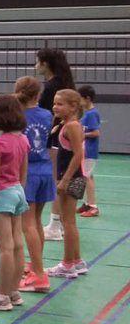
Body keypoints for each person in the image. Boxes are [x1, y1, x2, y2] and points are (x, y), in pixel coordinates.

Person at [0, 94, 29, 311]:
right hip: (18, 191)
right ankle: (14, 290)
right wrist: (19, 189)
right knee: (17, 244)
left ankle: (1, 296)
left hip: (2, 194)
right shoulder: (23, 139)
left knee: (5, 247)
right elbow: (24, 171)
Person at [15, 77, 53, 294]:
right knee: (37, 221)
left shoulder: (19, 116)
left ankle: (39, 275)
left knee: (27, 224)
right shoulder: (47, 114)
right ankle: (37, 266)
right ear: (38, 95)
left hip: (29, 171)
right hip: (45, 169)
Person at [47, 90, 87, 279]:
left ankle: (67, 264)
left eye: (60, 104)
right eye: (55, 103)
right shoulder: (65, 125)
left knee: (68, 223)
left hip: (71, 178)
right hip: (71, 177)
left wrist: (65, 179)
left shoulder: (72, 126)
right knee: (68, 222)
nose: (55, 107)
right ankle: (77, 260)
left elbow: (78, 154)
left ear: (73, 106)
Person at [36, 48, 74, 240]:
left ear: (45, 64)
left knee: (56, 180)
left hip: (56, 140)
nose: (36, 65)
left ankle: (55, 226)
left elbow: (47, 114)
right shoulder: (64, 83)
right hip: (63, 138)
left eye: (38, 62)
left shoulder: (52, 87)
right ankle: (62, 224)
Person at [78, 86, 100, 218]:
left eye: (80, 99)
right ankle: (87, 203)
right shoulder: (86, 113)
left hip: (89, 151)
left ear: (87, 98)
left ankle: (93, 206)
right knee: (87, 176)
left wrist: (81, 135)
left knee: (87, 176)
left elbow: (96, 132)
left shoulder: (92, 113)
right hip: (84, 150)